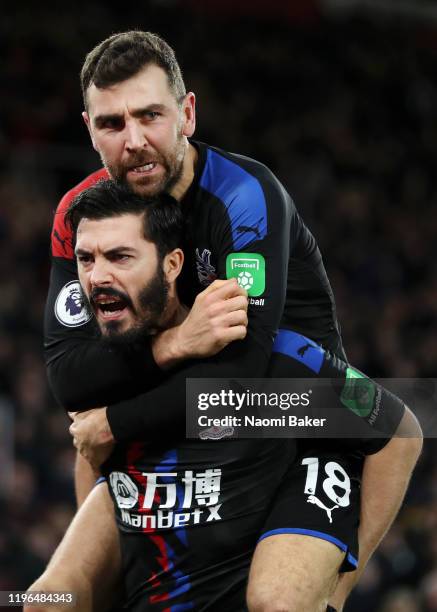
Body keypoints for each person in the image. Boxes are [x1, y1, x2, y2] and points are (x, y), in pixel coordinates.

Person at [40, 30, 422, 610]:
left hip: (286, 409)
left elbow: (242, 374)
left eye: (151, 115)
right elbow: (69, 378)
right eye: (113, 123)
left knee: (276, 602)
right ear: (89, 128)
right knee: (47, 600)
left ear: (187, 113)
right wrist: (173, 346)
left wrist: (116, 420)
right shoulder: (85, 214)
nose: (135, 141)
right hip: (175, 414)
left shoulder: (244, 198)